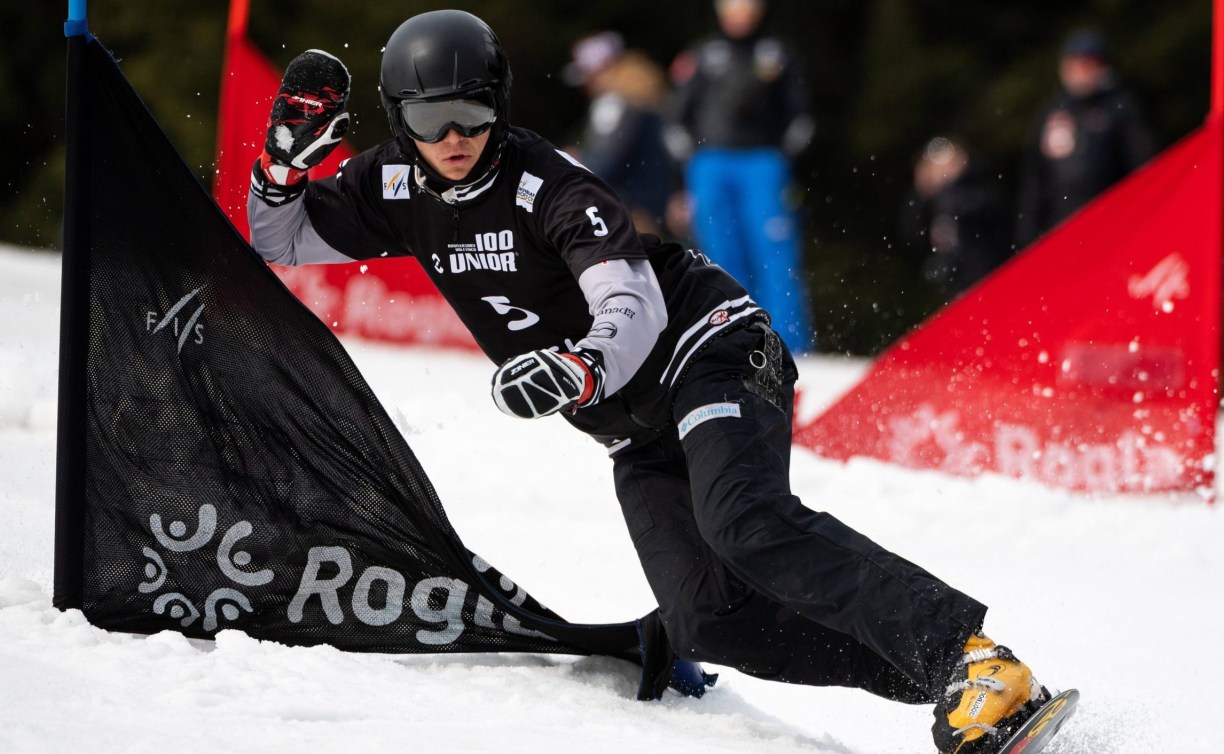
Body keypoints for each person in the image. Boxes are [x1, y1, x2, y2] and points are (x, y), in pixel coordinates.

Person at [247, 11, 1054, 753]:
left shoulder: (548, 185)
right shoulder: (393, 185)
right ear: (399, 121)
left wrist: (580, 364)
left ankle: (972, 656)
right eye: (429, 120)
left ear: (500, 105)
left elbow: (626, 298)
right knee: (710, 621)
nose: (454, 136)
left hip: (709, 350)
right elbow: (279, 240)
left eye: (473, 112)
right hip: (635, 429)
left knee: (745, 524)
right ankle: (949, 688)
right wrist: (280, 167)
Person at [663, 0, 813, 352]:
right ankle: (731, 344)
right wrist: (687, 173)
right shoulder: (701, 55)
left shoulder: (777, 54)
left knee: (775, 253)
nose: (740, 10)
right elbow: (675, 120)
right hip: (711, 164)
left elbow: (800, 117)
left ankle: (790, 346)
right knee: (719, 259)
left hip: (762, 164)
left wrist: (778, 158)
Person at [1015, 29, 1156, 248]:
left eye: (1087, 66)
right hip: (1061, 227)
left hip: (1112, 223)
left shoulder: (1119, 108)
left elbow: (1142, 166)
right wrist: (1028, 232)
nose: (1080, 73)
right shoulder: (1052, 111)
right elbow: (1035, 177)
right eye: (1075, 66)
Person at [562, 31, 675, 235]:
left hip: (628, 212)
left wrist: (573, 162)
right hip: (653, 207)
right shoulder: (646, 99)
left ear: (599, 70)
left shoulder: (615, 104)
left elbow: (605, 163)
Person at [901, 137, 1012, 300]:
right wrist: (922, 191)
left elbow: (988, 209)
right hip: (952, 283)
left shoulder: (976, 186)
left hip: (988, 272)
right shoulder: (927, 201)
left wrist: (951, 188)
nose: (942, 169)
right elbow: (911, 234)